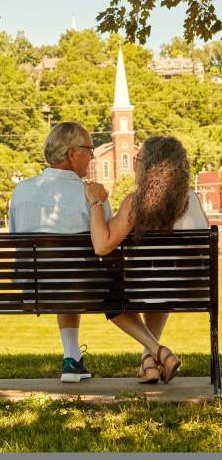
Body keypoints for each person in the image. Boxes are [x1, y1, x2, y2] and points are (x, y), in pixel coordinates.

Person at [84, 135, 208, 384]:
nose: (133, 165)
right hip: (190, 291)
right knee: (162, 282)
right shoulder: (192, 199)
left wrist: (97, 201)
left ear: (149, 166)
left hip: (146, 289)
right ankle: (149, 362)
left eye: (137, 160)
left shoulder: (135, 203)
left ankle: (159, 351)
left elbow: (101, 245)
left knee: (108, 295)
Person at [9, 121, 112, 383]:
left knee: (62, 274)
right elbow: (107, 239)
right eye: (89, 149)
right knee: (71, 275)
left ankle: (72, 358)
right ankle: (153, 352)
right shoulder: (88, 194)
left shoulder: (21, 190)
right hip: (83, 287)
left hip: (31, 287)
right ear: (71, 154)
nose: (92, 155)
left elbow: (14, 237)